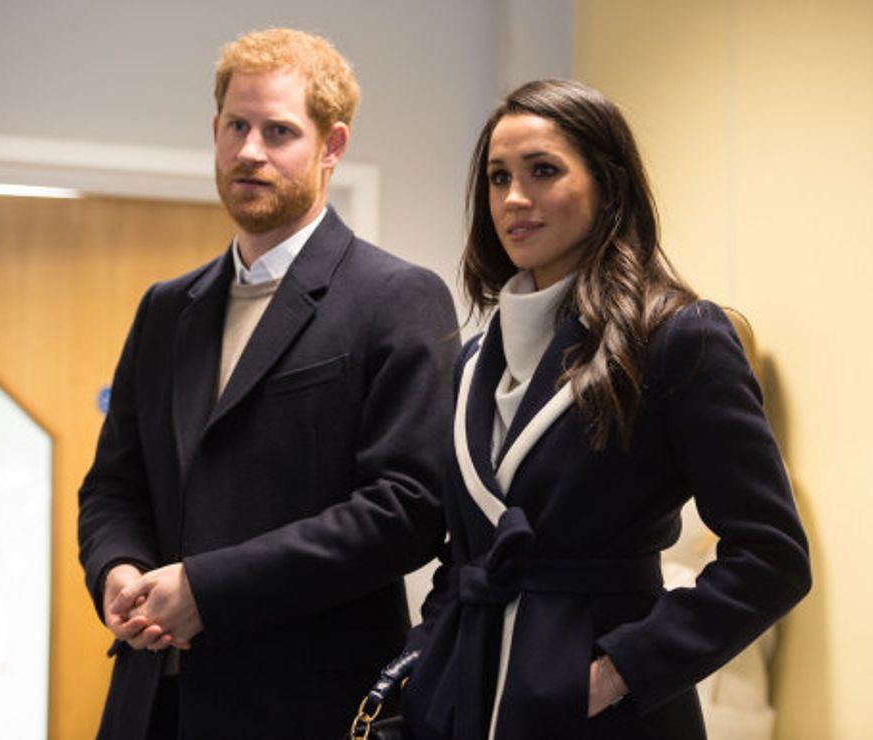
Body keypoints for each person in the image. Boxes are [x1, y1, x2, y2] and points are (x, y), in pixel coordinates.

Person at [399, 79, 812, 739]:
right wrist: (423, 662)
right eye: (497, 177)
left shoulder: (679, 337)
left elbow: (771, 558)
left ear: (608, 186)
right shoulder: (471, 359)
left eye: (543, 171)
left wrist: (615, 672)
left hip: (601, 710)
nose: (514, 198)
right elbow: (463, 555)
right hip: (463, 699)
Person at [77, 28, 459, 739]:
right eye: (237, 126)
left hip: (304, 707)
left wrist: (207, 592)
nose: (251, 150)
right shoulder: (167, 309)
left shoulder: (398, 298)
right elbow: (112, 488)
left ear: (332, 147)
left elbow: (407, 509)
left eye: (280, 131)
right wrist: (118, 570)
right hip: (148, 702)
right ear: (214, 133)